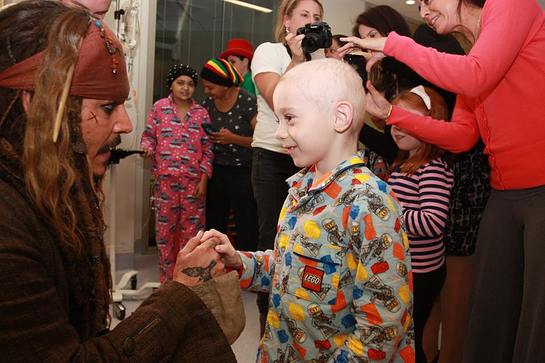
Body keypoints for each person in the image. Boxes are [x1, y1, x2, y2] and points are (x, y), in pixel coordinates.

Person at [0, 2, 235, 361]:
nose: (126, 124)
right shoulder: (8, 229)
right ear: (39, 103)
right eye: (109, 107)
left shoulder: (47, 193)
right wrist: (180, 292)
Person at [340, 0, 545, 361]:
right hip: (505, 192)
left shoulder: (512, 5)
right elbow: (462, 136)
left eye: (427, 0)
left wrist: (393, 44)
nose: (423, 9)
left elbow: (474, 75)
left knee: (535, 321)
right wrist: (390, 114)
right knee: (491, 312)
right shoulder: (477, 54)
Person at [204, 58, 415, 362]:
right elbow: (292, 268)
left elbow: (381, 328)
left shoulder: (369, 202)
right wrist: (240, 262)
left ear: (340, 117)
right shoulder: (300, 187)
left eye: (289, 118)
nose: (279, 132)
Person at [250, 0, 324, 336]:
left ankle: (301, 322)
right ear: (287, 19)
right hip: (273, 157)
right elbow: (276, 98)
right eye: (305, 15)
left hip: (311, 161)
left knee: (308, 243)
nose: (311, 22)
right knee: (272, 242)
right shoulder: (270, 51)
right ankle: (271, 328)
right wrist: (296, 60)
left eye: (317, 18)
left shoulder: (320, 60)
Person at [387, 86, 454, 363]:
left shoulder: (432, 168)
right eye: (395, 120)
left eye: (408, 120)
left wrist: (388, 212)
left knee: (409, 341)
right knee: (405, 339)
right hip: (407, 270)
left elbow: (432, 222)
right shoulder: (406, 164)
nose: (398, 128)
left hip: (421, 273)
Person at [140, 64, 213, 283]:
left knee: (191, 236)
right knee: (165, 236)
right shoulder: (160, 108)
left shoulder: (201, 113)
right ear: (171, 85)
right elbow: (149, 136)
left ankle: (186, 283)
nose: (185, 88)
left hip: (193, 184)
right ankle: (167, 283)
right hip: (165, 182)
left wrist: (203, 179)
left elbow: (208, 148)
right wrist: (147, 148)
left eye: (190, 84)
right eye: (181, 83)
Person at [200, 58, 258, 252]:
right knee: (214, 222)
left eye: (210, 87)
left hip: (244, 172)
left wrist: (233, 138)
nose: (206, 92)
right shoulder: (208, 103)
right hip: (217, 171)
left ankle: (247, 268)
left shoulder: (247, 102)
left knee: (246, 222)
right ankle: (213, 265)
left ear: (225, 85)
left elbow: (260, 140)